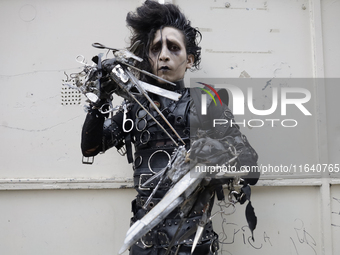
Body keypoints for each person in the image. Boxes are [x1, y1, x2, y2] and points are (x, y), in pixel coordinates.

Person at [81, 1, 259, 254]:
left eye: (173, 48)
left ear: (190, 59)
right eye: (156, 49)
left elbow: (250, 167)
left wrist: (217, 151)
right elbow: (90, 148)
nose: (163, 55)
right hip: (145, 243)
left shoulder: (207, 101)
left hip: (193, 244)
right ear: (148, 58)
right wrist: (98, 101)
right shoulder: (134, 107)